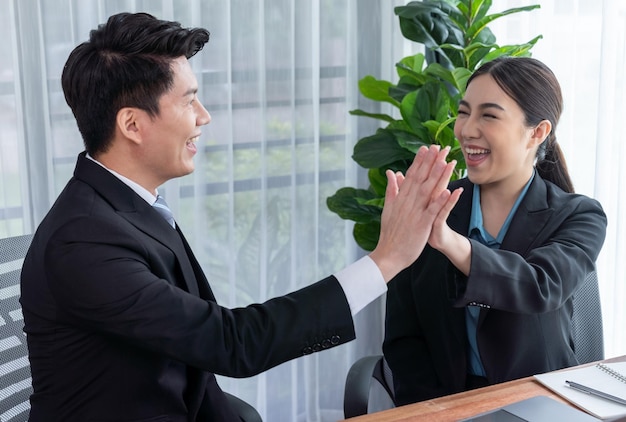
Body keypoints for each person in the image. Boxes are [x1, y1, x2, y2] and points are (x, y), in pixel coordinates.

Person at [19, 12, 461, 422]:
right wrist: (386, 261)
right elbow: (231, 343)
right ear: (133, 125)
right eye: (189, 101)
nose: (204, 117)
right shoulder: (84, 240)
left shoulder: (129, 205)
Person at [383, 56, 608, 406]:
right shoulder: (430, 207)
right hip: (445, 409)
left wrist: (450, 242)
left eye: (488, 115)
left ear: (537, 132)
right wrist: (435, 411)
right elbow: (404, 338)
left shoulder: (579, 215)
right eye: (463, 112)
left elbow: (539, 286)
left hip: (541, 406)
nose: (467, 129)